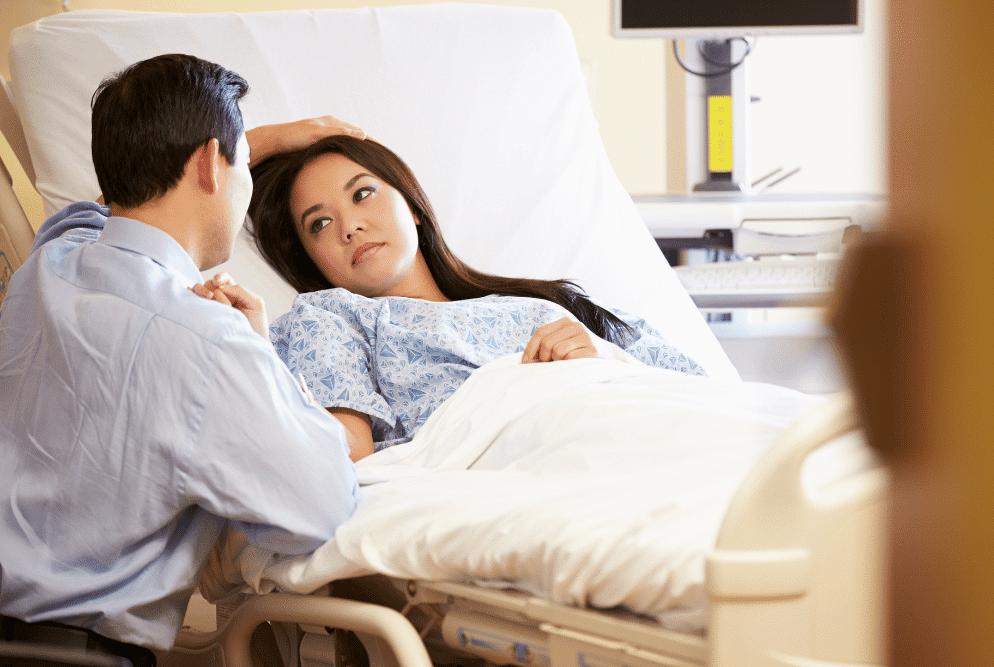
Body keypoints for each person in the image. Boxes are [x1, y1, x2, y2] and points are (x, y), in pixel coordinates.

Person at [0, 54, 365, 664]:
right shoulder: (213, 344)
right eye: (243, 162)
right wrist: (259, 353)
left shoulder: (49, 264)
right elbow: (322, 506)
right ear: (208, 165)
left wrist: (248, 144)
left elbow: (103, 205)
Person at [239, 136, 707, 461]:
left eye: (363, 194)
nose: (349, 226)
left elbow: (704, 394)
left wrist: (601, 359)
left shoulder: (548, 303)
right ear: (312, 259)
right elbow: (344, 454)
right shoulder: (330, 318)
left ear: (414, 207)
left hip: (643, 434)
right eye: (318, 224)